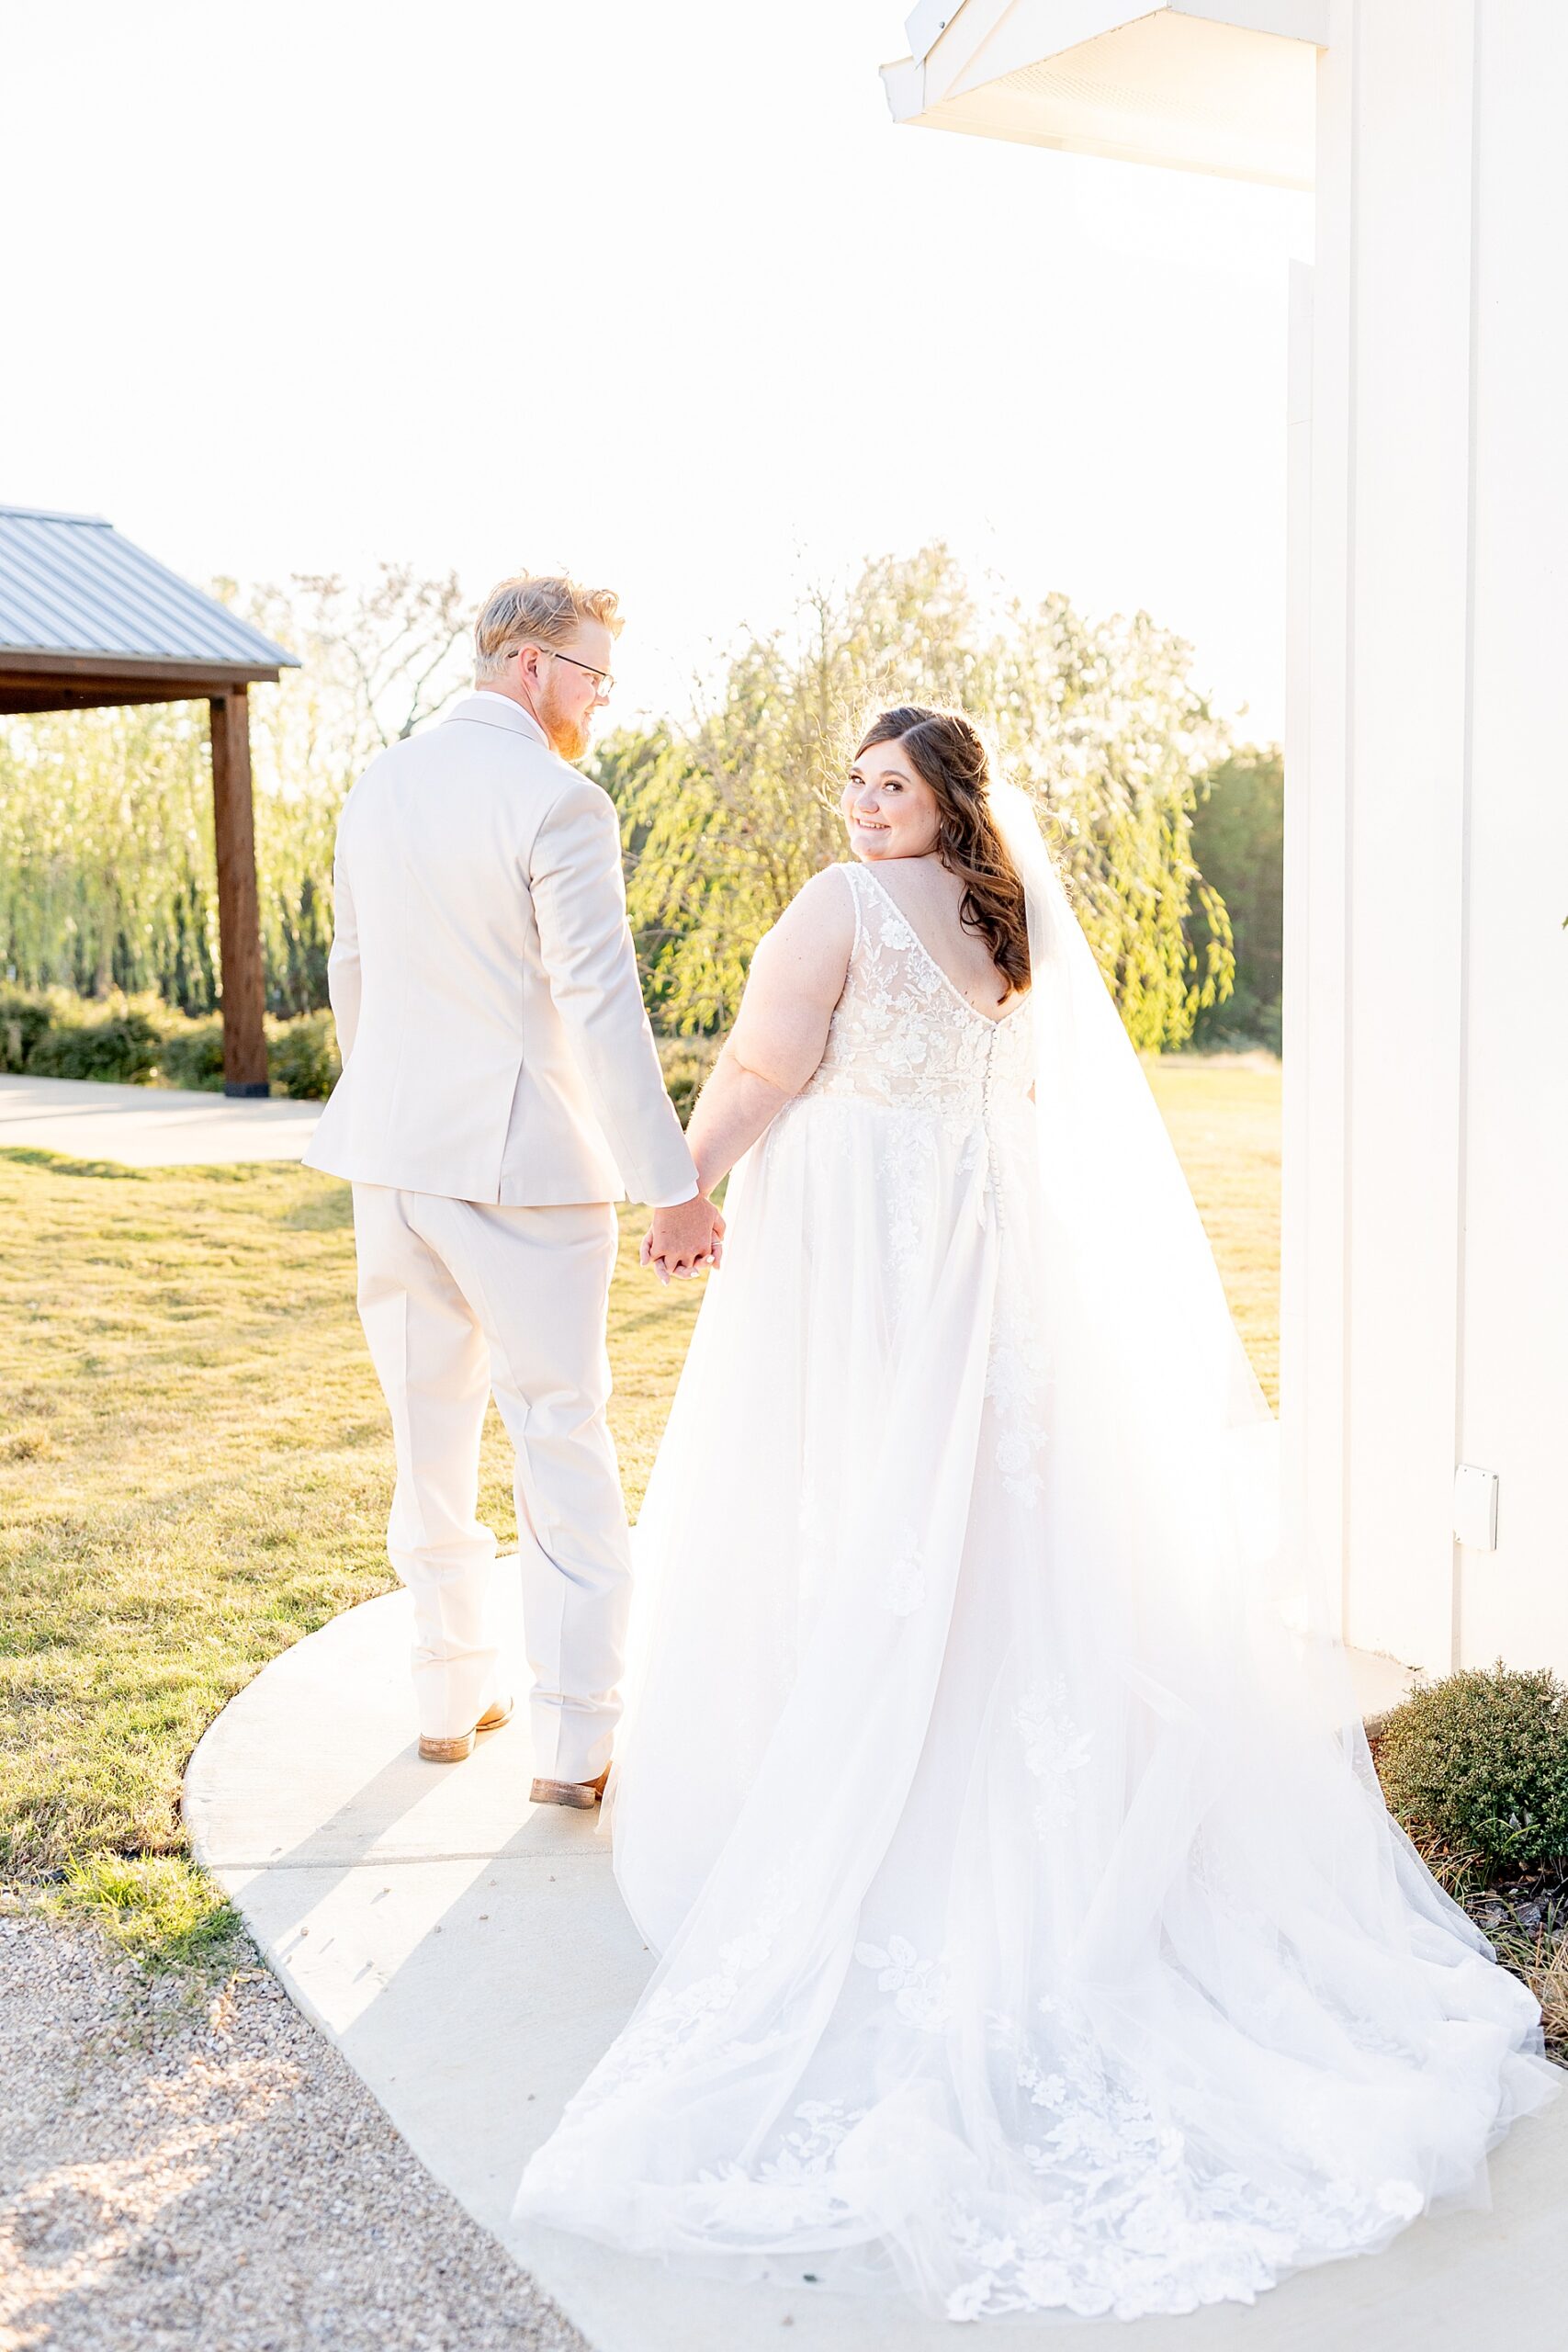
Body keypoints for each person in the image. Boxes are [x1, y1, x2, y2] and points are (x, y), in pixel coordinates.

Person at [514, 705, 1558, 2320]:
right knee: (977, 1512)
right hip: (973, 1236)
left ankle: (848, 1772)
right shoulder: (1008, 917)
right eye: (854, 787)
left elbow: (766, 1065)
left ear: (941, 800)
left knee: (854, 1500)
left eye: (891, 786)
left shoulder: (837, 907)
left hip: (865, 1242)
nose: (862, 809)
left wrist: (690, 1185)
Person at [304, 574, 722, 1804]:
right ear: (532, 662)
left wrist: (388, 1099)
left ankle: (448, 1691)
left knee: (428, 1432)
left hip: (390, 1158)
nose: (600, 698)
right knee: (561, 1437)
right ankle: (577, 1741)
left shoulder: (376, 786)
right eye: (594, 672)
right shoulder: (559, 800)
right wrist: (672, 1187)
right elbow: (601, 1003)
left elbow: (353, 971)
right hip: (526, 1168)